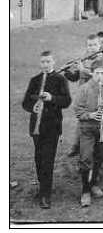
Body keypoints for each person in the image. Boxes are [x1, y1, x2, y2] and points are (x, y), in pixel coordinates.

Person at [22, 51, 72, 209]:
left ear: (53, 62)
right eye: (43, 62)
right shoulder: (35, 80)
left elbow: (67, 101)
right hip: (37, 126)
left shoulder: (60, 79)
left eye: (48, 61)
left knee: (47, 160)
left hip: (52, 126)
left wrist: (52, 98)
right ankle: (42, 186)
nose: (45, 64)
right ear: (40, 63)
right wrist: (33, 107)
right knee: (38, 158)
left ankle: (46, 194)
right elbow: (25, 102)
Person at [73, 60, 103, 207]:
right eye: (97, 73)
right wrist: (90, 115)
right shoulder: (84, 88)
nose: (100, 76)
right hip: (87, 129)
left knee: (101, 156)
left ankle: (93, 183)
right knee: (86, 157)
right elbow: (78, 110)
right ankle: (85, 191)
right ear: (92, 73)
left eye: (102, 73)